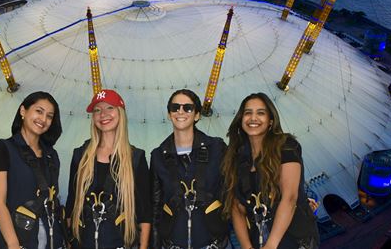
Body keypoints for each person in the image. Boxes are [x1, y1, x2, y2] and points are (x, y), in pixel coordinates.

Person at [221, 93, 319, 249]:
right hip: (257, 240)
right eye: (248, 113)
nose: (253, 118)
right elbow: (236, 208)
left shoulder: (286, 146)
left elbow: (290, 197)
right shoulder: (236, 157)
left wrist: (271, 245)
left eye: (261, 113)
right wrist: (247, 247)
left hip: (294, 240)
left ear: (270, 121)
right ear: (240, 120)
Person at [66, 89, 151, 249]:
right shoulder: (80, 156)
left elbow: (144, 212)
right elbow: (71, 204)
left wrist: (143, 246)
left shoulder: (136, 158)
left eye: (109, 108)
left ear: (120, 113)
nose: (103, 114)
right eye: (97, 110)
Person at [150, 89, 229, 249]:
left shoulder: (217, 149)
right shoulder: (158, 156)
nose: (181, 111)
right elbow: (155, 207)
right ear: (169, 114)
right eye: (175, 107)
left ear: (197, 115)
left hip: (215, 243)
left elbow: (230, 194)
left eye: (188, 108)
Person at [0, 91, 66, 249]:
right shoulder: (3, 148)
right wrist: (13, 244)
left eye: (49, 116)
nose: (43, 119)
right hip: (22, 240)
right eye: (39, 111)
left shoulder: (51, 155)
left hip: (53, 238)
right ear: (23, 111)